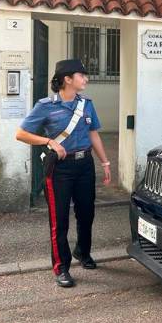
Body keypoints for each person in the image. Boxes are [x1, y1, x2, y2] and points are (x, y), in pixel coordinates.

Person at [15, 59, 111, 288]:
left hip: (85, 165)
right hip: (60, 169)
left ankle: (83, 252)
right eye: (82, 75)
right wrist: (48, 141)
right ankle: (62, 267)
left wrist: (105, 163)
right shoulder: (46, 106)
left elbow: (93, 134)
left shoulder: (86, 104)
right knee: (59, 221)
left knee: (86, 214)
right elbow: (21, 134)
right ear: (67, 79)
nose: (86, 79)